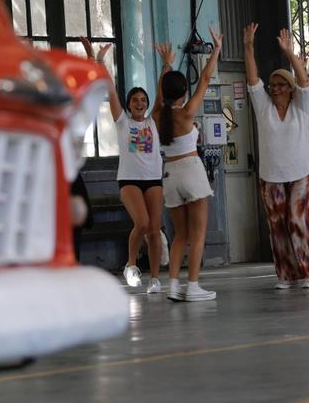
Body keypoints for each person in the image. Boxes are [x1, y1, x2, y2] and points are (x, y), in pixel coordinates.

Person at [244, 24, 309, 289]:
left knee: (297, 219)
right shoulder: (263, 107)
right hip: (270, 176)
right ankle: (287, 274)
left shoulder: (301, 107)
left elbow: (304, 81)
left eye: (281, 84)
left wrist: (290, 53)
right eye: (273, 85)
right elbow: (252, 79)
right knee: (277, 226)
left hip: (302, 173)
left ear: (290, 89)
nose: (275, 88)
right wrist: (248, 47)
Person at [81, 37, 165, 294]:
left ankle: (154, 279)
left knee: (154, 229)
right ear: (129, 105)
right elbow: (111, 90)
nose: (139, 103)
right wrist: (98, 61)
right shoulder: (122, 123)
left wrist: (166, 66)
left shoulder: (153, 122)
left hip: (153, 178)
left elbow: (162, 97)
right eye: (135, 100)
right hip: (129, 179)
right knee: (141, 223)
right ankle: (130, 266)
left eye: (143, 100)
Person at [153, 27, 223, 302]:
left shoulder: (157, 115)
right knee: (199, 232)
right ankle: (193, 285)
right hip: (191, 170)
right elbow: (205, 77)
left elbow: (161, 92)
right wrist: (216, 49)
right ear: (183, 91)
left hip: (168, 174)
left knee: (180, 233)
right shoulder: (186, 113)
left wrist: (166, 65)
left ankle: (173, 285)